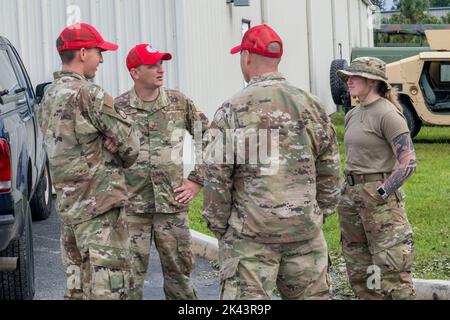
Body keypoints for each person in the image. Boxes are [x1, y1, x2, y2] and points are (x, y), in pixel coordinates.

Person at [202, 24, 341, 300]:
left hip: (250, 243)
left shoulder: (233, 109)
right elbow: (330, 169)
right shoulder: (312, 105)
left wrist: (221, 227)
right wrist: (318, 214)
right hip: (304, 237)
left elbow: (216, 176)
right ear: (277, 58)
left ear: (246, 57)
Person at [38, 22, 140, 300]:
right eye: (98, 51)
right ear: (82, 53)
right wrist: (113, 146)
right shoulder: (90, 93)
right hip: (99, 211)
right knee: (109, 289)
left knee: (77, 290)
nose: (102, 58)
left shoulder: (48, 95)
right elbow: (132, 146)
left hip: (69, 210)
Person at [113, 43, 210, 300]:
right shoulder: (118, 107)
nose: (160, 69)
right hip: (132, 209)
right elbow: (104, 155)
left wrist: (196, 180)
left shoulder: (179, 102)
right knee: (128, 281)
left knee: (181, 281)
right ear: (135, 72)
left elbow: (211, 138)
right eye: (152, 65)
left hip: (172, 207)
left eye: (161, 63)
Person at [336, 56, 417, 300]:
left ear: (372, 81)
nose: (348, 81)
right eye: (347, 77)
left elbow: (408, 162)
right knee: (361, 269)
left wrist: (382, 191)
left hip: (380, 202)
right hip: (351, 199)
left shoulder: (388, 114)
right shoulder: (352, 114)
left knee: (391, 269)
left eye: (354, 77)